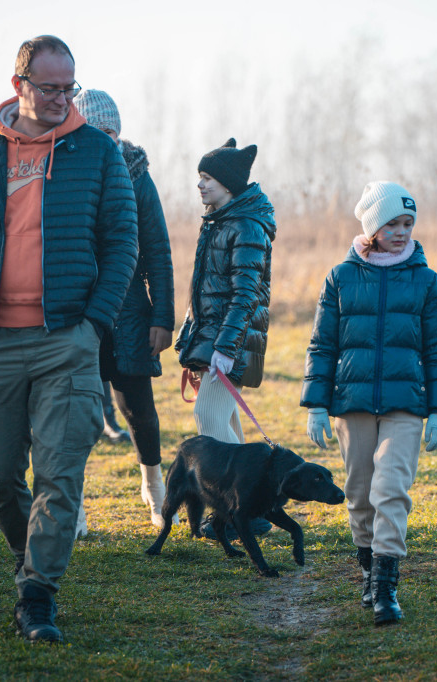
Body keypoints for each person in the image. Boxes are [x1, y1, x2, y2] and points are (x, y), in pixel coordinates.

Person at [0, 35, 139, 643]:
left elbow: (122, 244)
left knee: (59, 475)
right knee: (0, 479)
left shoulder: (98, 154)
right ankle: (29, 557)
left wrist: (93, 325)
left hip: (65, 341)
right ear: (19, 84)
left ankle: (37, 595)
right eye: (48, 88)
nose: (59, 99)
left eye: (68, 88)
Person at [301, 181, 437, 626]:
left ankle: (387, 588)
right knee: (359, 493)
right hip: (352, 403)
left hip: (406, 404)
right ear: (372, 226)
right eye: (393, 223)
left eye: (408, 223)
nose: (403, 231)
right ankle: (368, 572)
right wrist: (316, 404)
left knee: (391, 489)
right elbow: (322, 346)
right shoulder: (341, 277)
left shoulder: (426, 281)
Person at [73, 88, 176, 528]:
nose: (106, 138)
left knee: (138, 409)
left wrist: (163, 316)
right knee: (73, 413)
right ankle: (71, 503)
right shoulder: (65, 172)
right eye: (97, 130)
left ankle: (153, 486)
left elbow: (158, 249)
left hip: (131, 313)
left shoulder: (137, 176)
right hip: (76, 311)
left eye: (112, 130)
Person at [175, 138, 276, 539]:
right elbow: (204, 293)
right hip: (214, 338)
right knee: (227, 424)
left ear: (230, 184)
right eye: (199, 176)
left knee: (209, 416)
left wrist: (223, 347)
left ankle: (239, 510)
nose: (200, 185)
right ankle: (249, 511)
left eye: (208, 178)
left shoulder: (246, 226)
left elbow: (246, 294)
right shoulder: (220, 221)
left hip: (228, 343)